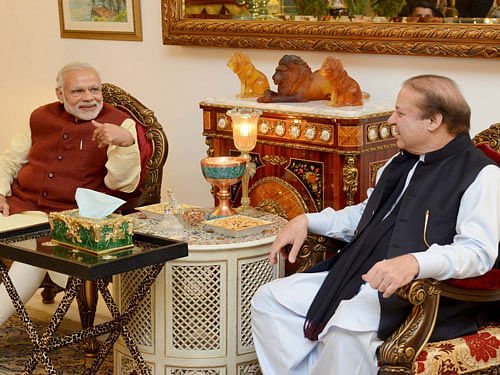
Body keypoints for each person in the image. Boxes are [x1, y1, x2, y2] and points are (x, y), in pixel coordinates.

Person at [251, 75, 500, 374]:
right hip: (362, 271)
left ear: (433, 120)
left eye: (400, 113)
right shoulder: (400, 162)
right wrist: (307, 219)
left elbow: (478, 252)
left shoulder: (483, 175)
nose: (391, 120)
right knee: (271, 301)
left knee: (346, 328)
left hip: (427, 296)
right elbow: (368, 215)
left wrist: (415, 263)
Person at [0, 62, 142, 325]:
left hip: (65, 222)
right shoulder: (40, 116)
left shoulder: (120, 125)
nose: (89, 98)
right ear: (60, 94)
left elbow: (123, 184)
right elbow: (9, 161)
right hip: (19, 208)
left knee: (32, 258)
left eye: (94, 89)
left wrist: (124, 143)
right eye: (78, 91)